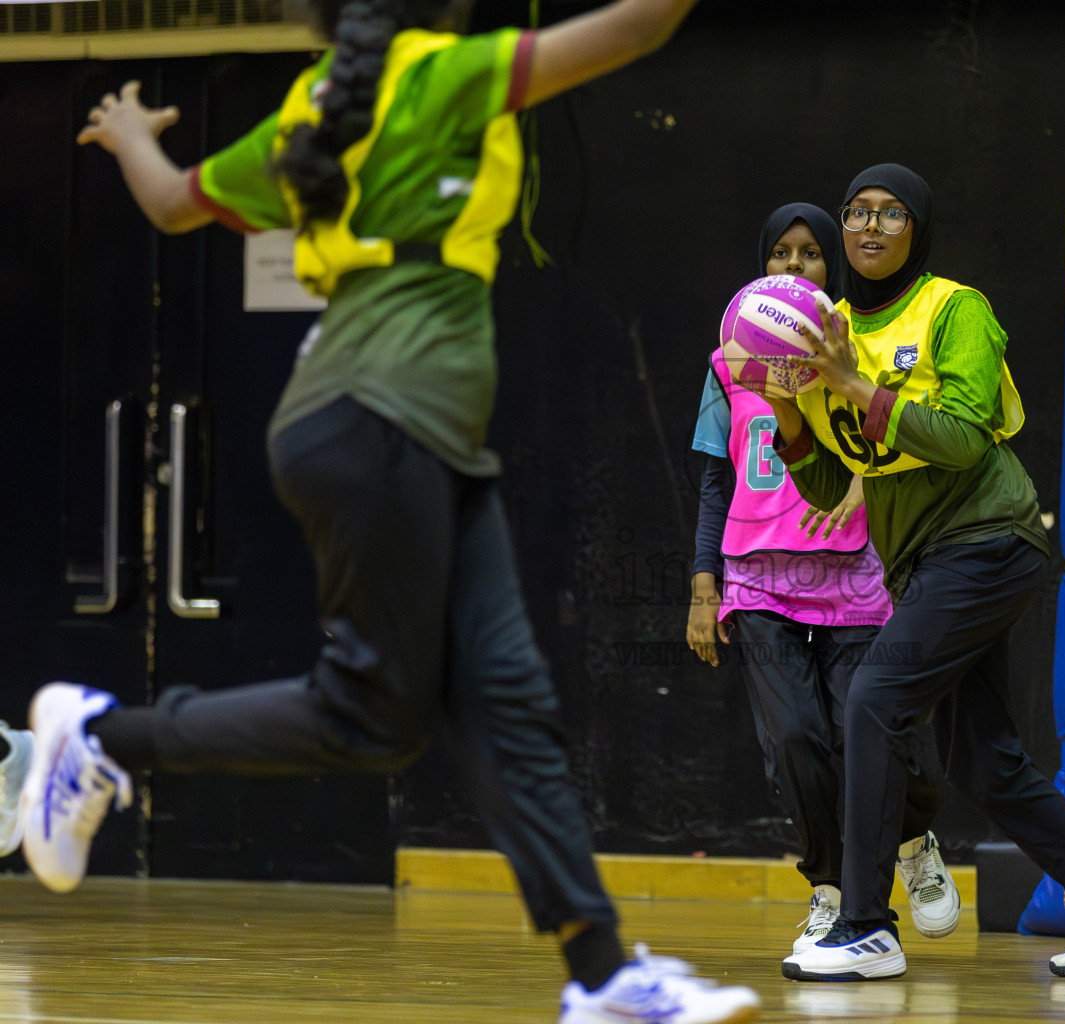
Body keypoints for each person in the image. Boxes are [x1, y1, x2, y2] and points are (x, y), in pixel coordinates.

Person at [19, 2, 760, 1022]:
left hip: (404, 433)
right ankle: (104, 734)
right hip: (380, 422)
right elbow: (636, 25)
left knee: (510, 708)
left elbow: (175, 205)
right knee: (367, 719)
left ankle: (604, 975)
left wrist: (137, 137)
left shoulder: (311, 109)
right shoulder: (445, 74)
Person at [751, 164, 1065, 982]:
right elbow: (825, 483)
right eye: (857, 213)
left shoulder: (954, 308)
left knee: (875, 698)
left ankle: (866, 925)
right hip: (924, 565)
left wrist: (850, 383)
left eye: (891, 213)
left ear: (917, 229)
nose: (870, 227)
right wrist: (786, 408)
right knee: (985, 763)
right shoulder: (825, 326)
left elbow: (962, 438)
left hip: (988, 539)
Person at [687, 203, 960, 959]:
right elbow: (715, 481)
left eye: (810, 254)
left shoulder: (854, 349)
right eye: (781, 253)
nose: (795, 267)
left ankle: (911, 837)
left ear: (828, 269)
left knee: (867, 733)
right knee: (796, 742)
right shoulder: (728, 360)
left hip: (853, 574)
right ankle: (832, 895)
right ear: (763, 266)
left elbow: (894, 442)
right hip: (758, 578)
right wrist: (703, 585)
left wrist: (856, 490)